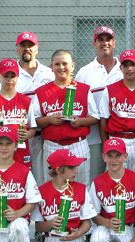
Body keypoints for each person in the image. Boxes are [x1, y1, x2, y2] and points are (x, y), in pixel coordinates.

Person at [31, 149, 98, 242]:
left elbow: (87, 222)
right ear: (59, 169)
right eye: (72, 167)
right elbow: (38, 227)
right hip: (53, 241)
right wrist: (50, 223)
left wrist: (79, 233)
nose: (76, 171)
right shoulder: (42, 191)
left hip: (76, 240)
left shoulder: (80, 189)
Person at [0, 31, 54, 185]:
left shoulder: (48, 73)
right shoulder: (9, 75)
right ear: (17, 48)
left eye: (30, 45)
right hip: (20, 137)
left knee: (44, 179)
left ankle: (42, 209)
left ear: (37, 48)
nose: (27, 48)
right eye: (23, 45)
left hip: (46, 134)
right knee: (19, 179)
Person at [34, 50, 100, 186]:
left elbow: (95, 117)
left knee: (81, 187)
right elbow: (34, 120)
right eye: (57, 64)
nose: (61, 67)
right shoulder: (41, 92)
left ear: (72, 66)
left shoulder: (83, 89)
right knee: (53, 188)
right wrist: (49, 120)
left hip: (78, 144)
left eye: (65, 63)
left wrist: (80, 121)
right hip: (52, 145)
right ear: (51, 67)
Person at [76, 26, 123, 180]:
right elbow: (78, 106)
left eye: (108, 39)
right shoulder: (84, 72)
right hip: (93, 138)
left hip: (120, 137)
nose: (105, 43)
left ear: (114, 42)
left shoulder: (124, 69)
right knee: (93, 181)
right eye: (100, 40)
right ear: (94, 44)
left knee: (120, 181)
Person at [99, 49, 135, 176]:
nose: (129, 68)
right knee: (116, 183)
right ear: (121, 68)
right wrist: (106, 146)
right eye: (125, 65)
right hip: (116, 140)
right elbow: (103, 121)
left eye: (133, 64)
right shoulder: (109, 90)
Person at [0, 58, 36, 169]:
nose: (9, 80)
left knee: (21, 183)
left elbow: (32, 128)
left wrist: (28, 134)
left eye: (13, 76)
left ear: (18, 77)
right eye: (6, 76)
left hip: (20, 151)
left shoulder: (25, 101)